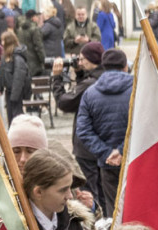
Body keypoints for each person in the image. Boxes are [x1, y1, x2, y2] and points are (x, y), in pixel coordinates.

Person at [75, 48, 131, 218]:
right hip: (134, 159)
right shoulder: (138, 90)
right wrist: (122, 151)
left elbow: (83, 130)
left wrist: (106, 153)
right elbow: (147, 122)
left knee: (114, 210)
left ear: (103, 66)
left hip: (107, 163)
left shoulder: (90, 93)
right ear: (125, 67)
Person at [52, 41, 105, 213]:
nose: (79, 62)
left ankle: (95, 222)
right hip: (102, 144)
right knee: (104, 190)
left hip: (86, 147)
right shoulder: (104, 78)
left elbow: (65, 102)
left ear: (92, 59)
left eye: (82, 59)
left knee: (89, 193)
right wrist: (81, 74)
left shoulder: (89, 84)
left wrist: (57, 78)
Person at [0, 30, 31, 124]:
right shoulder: (5, 57)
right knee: (10, 115)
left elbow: (19, 77)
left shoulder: (17, 57)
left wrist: (15, 95)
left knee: (16, 115)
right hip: (9, 91)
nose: (2, 43)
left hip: (16, 92)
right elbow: (1, 72)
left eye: (3, 40)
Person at [15, 9, 45, 76]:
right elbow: (39, 47)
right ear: (33, 18)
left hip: (24, 61)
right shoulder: (35, 29)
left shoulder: (20, 29)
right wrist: (43, 60)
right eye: (37, 17)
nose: (38, 19)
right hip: (35, 63)